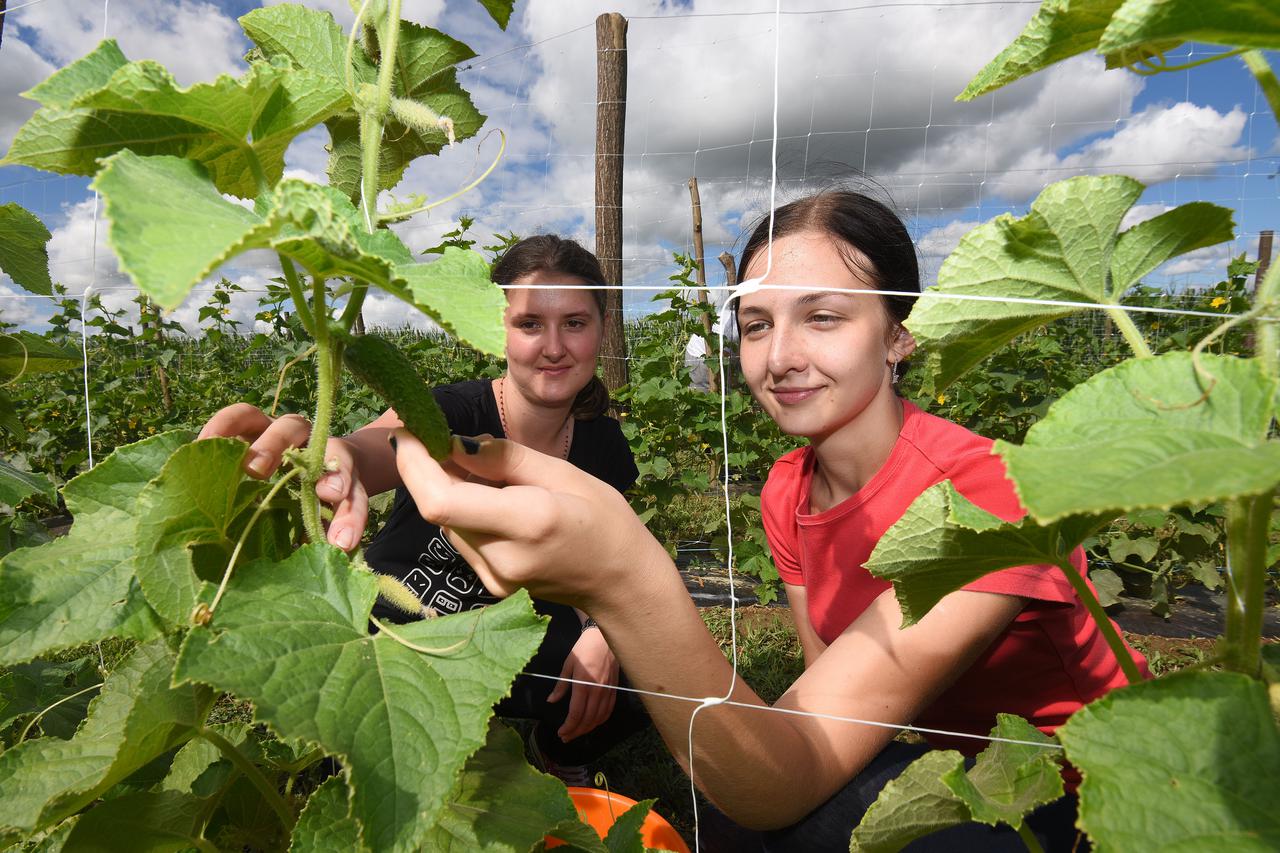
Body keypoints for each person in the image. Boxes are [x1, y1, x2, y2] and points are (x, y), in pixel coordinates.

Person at [383, 191, 1150, 851]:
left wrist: (625, 578)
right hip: (948, 766)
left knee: (778, 809)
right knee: (727, 796)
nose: (779, 357)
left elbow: (790, 773)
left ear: (899, 335)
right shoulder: (788, 489)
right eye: (755, 325)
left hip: (1093, 798)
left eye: (822, 316)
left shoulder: (987, 489)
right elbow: (822, 696)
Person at [199, 235, 648, 784]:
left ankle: (556, 752)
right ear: (497, 329)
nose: (553, 346)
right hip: (403, 619)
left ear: (602, 330)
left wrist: (602, 632)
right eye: (530, 324)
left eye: (575, 323)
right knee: (359, 757)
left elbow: (616, 553)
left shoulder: (603, 443)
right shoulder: (448, 410)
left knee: (637, 681)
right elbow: (370, 447)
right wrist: (332, 454)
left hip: (510, 632)